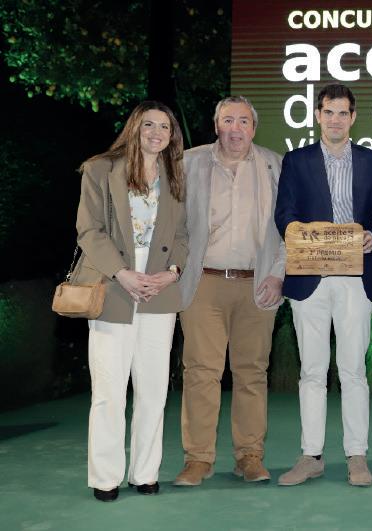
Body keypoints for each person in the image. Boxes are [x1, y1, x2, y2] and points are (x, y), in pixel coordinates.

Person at [274, 83, 372, 487]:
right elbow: (283, 214)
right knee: (312, 371)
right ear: (317, 115)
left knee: (353, 370)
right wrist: (303, 235)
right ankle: (311, 456)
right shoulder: (296, 160)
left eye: (343, 113)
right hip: (310, 279)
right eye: (329, 112)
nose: (336, 120)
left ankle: (357, 456)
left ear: (353, 117)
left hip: (357, 278)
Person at [75, 101, 188, 501]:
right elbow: (89, 231)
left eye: (165, 127)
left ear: (172, 135)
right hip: (114, 284)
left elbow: (183, 235)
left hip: (159, 288)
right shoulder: (100, 169)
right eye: (149, 125)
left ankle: (145, 473)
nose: (157, 133)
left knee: (154, 389)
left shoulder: (175, 175)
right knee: (109, 389)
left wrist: (172, 272)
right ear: (134, 128)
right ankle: (105, 478)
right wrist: (122, 273)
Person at [173, 96, 285, 487]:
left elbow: (290, 227)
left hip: (258, 284)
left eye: (243, 121)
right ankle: (197, 459)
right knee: (200, 372)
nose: (235, 129)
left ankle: (250, 457)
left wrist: (279, 274)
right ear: (216, 125)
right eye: (227, 120)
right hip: (203, 283)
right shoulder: (188, 163)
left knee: (252, 373)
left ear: (254, 127)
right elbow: (171, 223)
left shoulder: (275, 165)